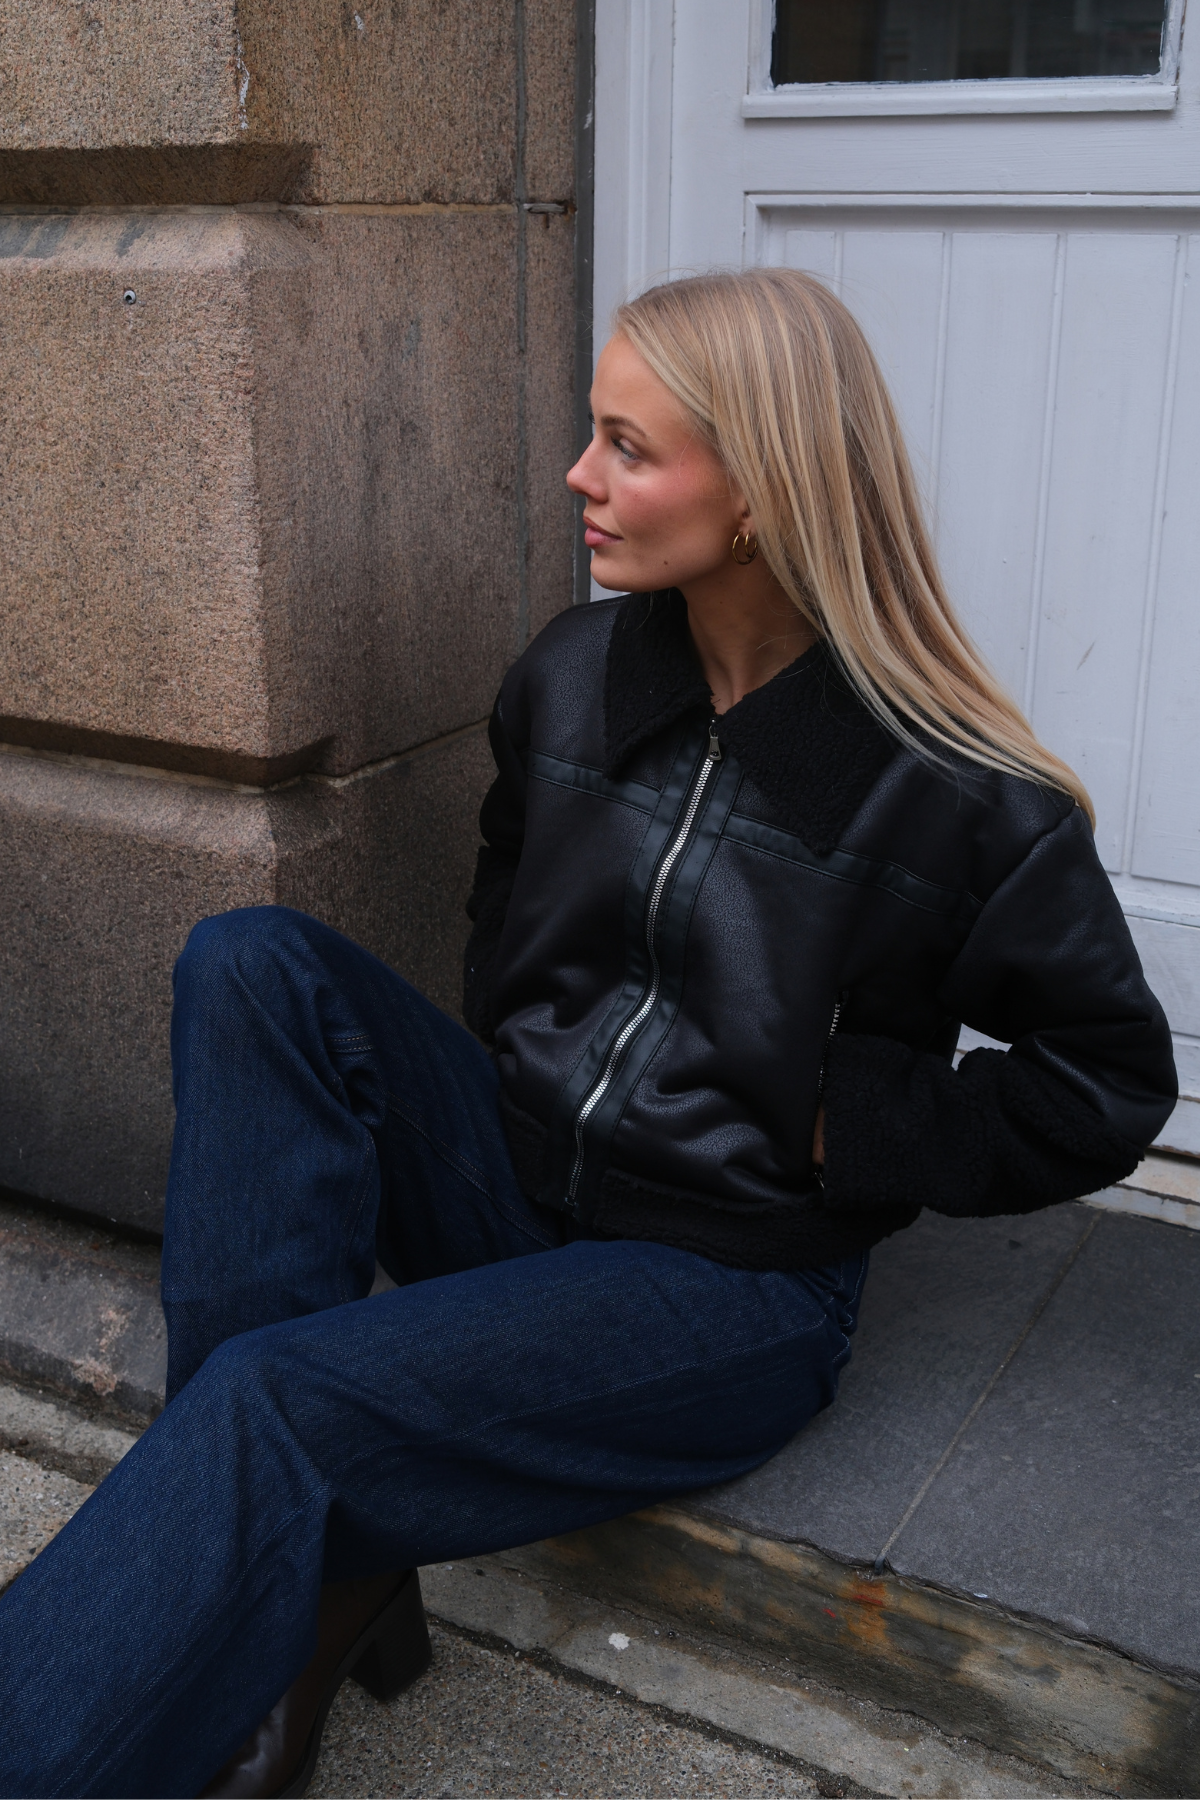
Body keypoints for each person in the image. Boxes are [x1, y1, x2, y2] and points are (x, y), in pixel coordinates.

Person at [0, 269, 1176, 1799]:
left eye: (630, 445)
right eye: (593, 433)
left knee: (277, 1395)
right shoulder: (574, 674)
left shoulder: (952, 793)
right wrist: (525, 1032)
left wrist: (857, 1124)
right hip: (520, 1179)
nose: (578, 474)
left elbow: (1108, 1085)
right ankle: (281, 1582)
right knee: (255, 963)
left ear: (759, 494)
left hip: (725, 1284)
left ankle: (242, 1587)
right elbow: (506, 881)